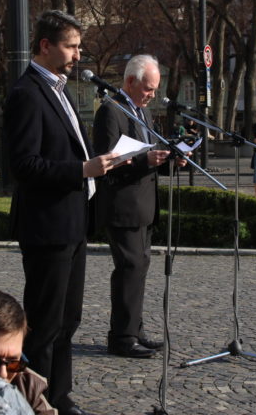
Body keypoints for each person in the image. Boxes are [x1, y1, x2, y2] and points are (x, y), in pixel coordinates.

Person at [4, 9, 119, 415]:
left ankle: (58, 395)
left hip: (73, 222)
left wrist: (100, 162)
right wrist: (81, 170)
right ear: (45, 45)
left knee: (68, 320)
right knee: (43, 323)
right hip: (46, 225)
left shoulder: (61, 89)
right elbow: (24, 165)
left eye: (78, 46)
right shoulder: (27, 93)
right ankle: (30, 400)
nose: (77, 54)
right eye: (70, 46)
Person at [93, 54, 186, 359]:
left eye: (155, 90)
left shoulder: (141, 111)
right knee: (129, 268)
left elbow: (147, 154)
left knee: (139, 269)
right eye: (148, 88)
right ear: (130, 82)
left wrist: (169, 159)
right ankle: (121, 337)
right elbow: (108, 162)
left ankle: (135, 329)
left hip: (144, 205)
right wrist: (145, 160)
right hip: (123, 205)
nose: (152, 95)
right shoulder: (111, 111)